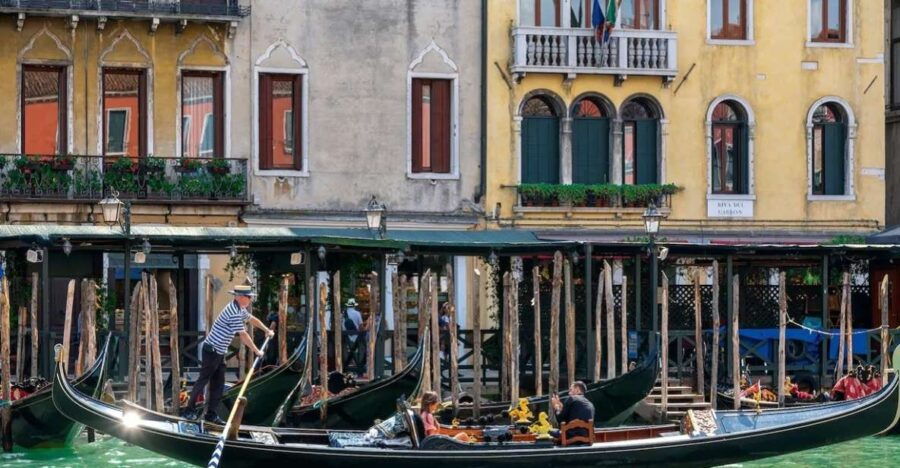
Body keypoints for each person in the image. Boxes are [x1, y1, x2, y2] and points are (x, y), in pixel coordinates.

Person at [182, 284, 273, 424]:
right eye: (249, 297)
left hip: (220, 352)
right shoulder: (233, 312)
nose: (250, 299)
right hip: (211, 350)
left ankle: (211, 414)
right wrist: (256, 351)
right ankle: (189, 410)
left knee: (218, 384)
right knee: (203, 380)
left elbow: (251, 319)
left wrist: (266, 329)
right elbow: (243, 335)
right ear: (241, 297)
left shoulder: (239, 308)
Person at [343, 298, 364, 370]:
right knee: (359, 350)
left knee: (347, 351)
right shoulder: (357, 313)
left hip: (346, 336)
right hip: (356, 336)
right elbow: (361, 326)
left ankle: (346, 366)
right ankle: (359, 367)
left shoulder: (343, 313)